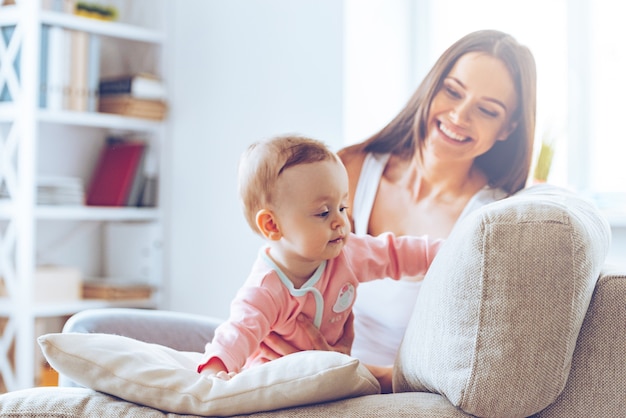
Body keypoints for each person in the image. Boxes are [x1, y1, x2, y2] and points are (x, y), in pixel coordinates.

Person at [261, 29, 537, 393]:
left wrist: (355, 370)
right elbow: (286, 273)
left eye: (486, 110)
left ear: (508, 128)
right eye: (452, 91)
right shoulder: (353, 169)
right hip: (301, 370)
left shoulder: (493, 220)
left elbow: (478, 361)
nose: (458, 115)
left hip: (390, 392)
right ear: (432, 87)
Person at [197, 135, 442, 380]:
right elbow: (237, 332)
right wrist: (214, 371)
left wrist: (451, 250)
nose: (340, 222)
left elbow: (396, 254)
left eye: (342, 207)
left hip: (331, 374)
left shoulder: (348, 254)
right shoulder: (266, 289)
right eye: (323, 212)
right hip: (275, 377)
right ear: (272, 224)